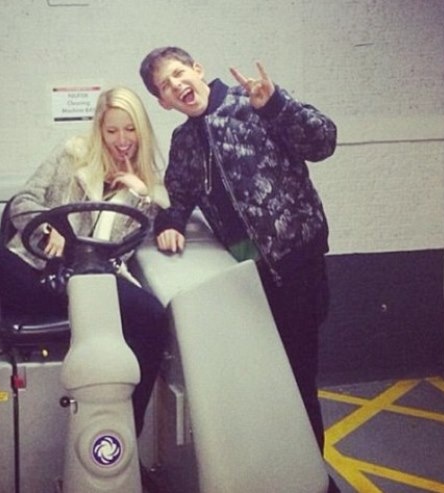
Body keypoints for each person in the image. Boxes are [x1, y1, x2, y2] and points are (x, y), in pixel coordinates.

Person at [139, 47, 340, 492]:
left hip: (298, 265)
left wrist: (277, 106)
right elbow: (177, 196)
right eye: (165, 86)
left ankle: (312, 481)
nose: (177, 85)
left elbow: (324, 141)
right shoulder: (185, 142)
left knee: (297, 382)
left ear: (197, 69)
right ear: (163, 102)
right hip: (249, 278)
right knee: (266, 385)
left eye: (179, 73)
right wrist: (169, 224)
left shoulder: (253, 104)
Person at [0, 86, 170, 454]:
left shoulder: (150, 187)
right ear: (99, 129)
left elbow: (136, 237)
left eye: (130, 129)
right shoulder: (71, 155)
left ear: (141, 130)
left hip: (96, 282)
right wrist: (49, 228)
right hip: (40, 276)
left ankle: (129, 425)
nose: (122, 140)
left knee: (154, 316)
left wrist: (140, 193)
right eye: (112, 130)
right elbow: (24, 201)